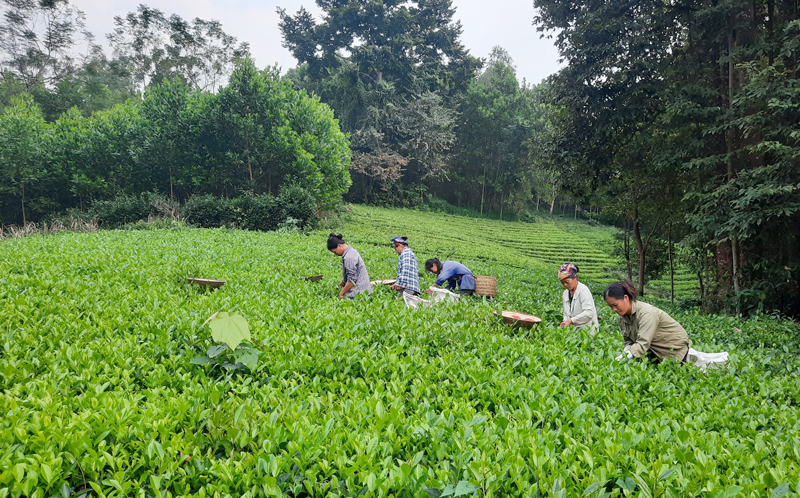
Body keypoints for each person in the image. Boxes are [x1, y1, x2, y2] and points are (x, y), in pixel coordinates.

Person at [604, 280, 690, 362]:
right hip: (654, 354)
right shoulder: (621, 317)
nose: (614, 309)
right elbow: (628, 340)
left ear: (626, 298)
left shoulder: (646, 313)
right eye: (611, 306)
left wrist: (624, 357)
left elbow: (643, 343)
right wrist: (626, 350)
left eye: (615, 305)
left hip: (675, 353)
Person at [558, 263, 599, 336]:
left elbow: (589, 312)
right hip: (574, 332)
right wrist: (565, 321)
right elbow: (566, 313)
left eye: (567, 282)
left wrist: (571, 320)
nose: (565, 285)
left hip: (588, 332)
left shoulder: (583, 290)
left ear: (575, 277)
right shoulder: (565, 293)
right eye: (562, 283)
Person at [327, 233, 372, 299]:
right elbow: (353, 273)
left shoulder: (349, 257)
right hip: (364, 291)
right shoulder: (351, 251)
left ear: (339, 246)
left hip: (358, 294)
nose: (335, 254)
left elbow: (352, 280)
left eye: (335, 252)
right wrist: (344, 281)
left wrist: (341, 293)